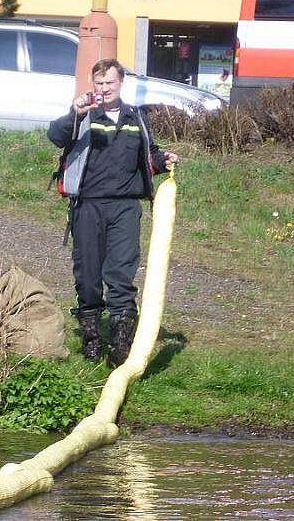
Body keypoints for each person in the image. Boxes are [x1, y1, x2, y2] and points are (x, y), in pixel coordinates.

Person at [47, 59, 179, 366]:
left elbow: (148, 155)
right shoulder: (85, 114)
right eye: (99, 84)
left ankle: (121, 344)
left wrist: (163, 160)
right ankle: (92, 338)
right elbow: (56, 136)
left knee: (121, 274)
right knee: (89, 276)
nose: (104, 89)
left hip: (125, 207)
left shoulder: (137, 117)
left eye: (110, 83)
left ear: (121, 83)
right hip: (88, 205)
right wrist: (75, 112)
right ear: (94, 85)